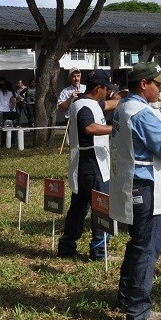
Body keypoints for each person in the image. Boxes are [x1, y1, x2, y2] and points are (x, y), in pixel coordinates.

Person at [111, 62, 161, 320]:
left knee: (136, 244)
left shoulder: (124, 107)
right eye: (157, 83)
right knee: (147, 249)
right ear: (143, 84)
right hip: (146, 188)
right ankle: (139, 311)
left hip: (131, 185)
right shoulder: (141, 113)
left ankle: (126, 298)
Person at [58, 69, 120, 261]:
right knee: (102, 207)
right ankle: (99, 251)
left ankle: (67, 246)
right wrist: (116, 128)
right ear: (98, 88)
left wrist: (130, 100)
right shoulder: (86, 107)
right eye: (106, 89)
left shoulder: (87, 102)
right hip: (92, 163)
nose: (107, 92)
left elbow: (110, 103)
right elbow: (89, 127)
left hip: (83, 164)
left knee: (78, 208)